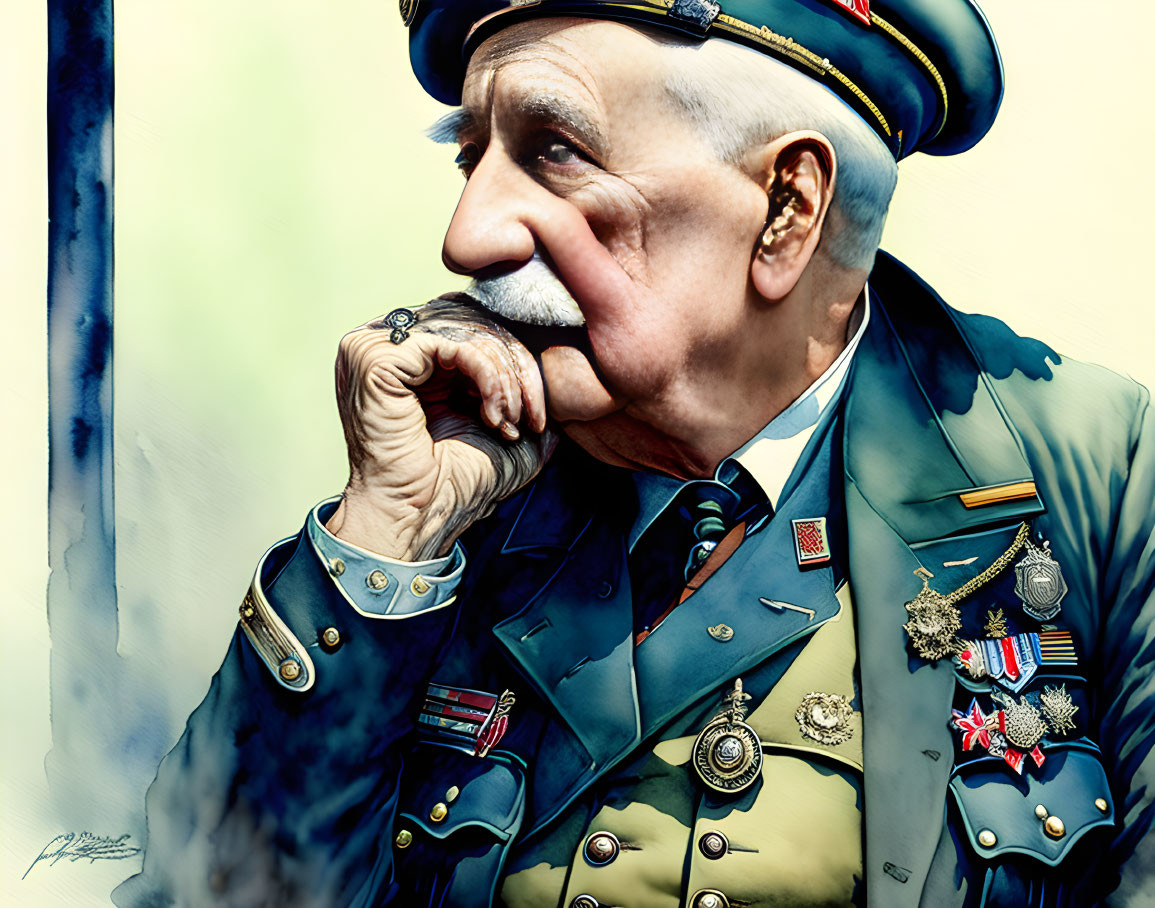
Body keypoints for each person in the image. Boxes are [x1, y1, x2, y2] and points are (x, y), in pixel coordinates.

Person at [113, 1, 1155, 906]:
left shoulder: (1096, 475)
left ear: (787, 209)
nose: (467, 236)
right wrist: (389, 538)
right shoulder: (461, 476)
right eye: (473, 154)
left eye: (555, 150)